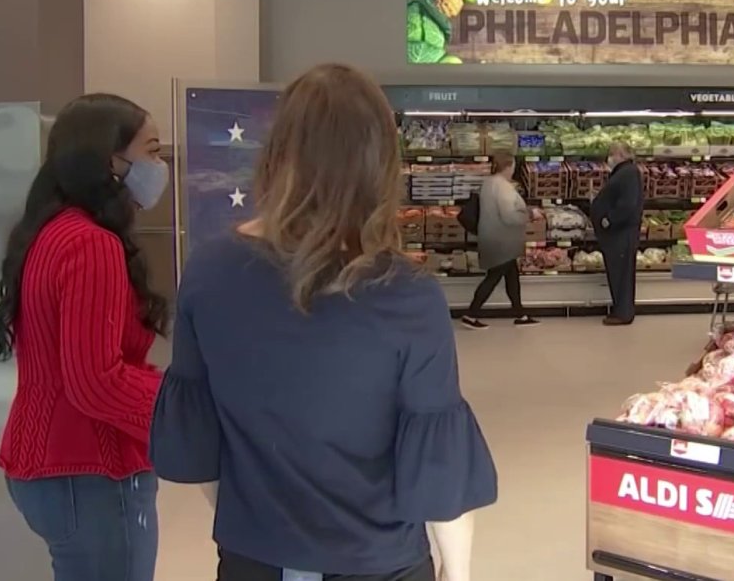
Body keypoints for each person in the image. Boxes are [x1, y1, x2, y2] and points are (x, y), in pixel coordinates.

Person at [150, 63, 498, 581]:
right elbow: (439, 475)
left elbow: (200, 449)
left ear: (276, 152)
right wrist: (458, 572)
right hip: (378, 562)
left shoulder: (209, 270)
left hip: (253, 560)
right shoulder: (406, 293)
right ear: (379, 164)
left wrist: (269, 532)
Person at [0, 93, 170, 581]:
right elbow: (96, 382)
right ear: (111, 162)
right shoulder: (91, 244)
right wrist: (182, 403)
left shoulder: (52, 231)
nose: (161, 167)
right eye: (152, 151)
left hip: (51, 466)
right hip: (89, 472)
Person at [461, 152, 539, 330]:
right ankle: (471, 314)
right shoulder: (503, 187)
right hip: (502, 240)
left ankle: (520, 314)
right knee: (493, 277)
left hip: (493, 237)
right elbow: (509, 216)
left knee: (512, 276)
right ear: (509, 166)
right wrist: (530, 215)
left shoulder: (488, 182)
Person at [590, 142, 644, 326]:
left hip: (621, 233)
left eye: (612, 154)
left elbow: (628, 204)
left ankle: (623, 313)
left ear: (621, 155)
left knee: (622, 274)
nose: (609, 157)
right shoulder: (624, 172)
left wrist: (610, 219)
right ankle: (620, 310)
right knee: (619, 273)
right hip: (619, 233)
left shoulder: (628, 173)